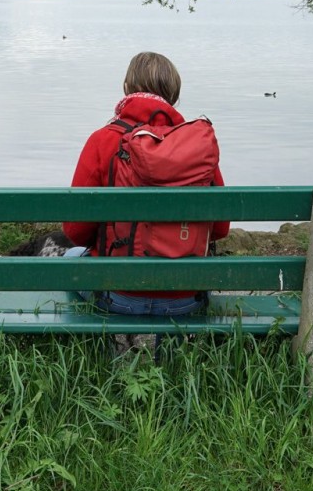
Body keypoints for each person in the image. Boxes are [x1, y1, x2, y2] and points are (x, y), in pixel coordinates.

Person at [62, 51, 230, 315]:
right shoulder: (196, 147)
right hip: (186, 296)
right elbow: (220, 228)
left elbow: (75, 231)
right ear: (173, 94)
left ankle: (101, 351)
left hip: (116, 293)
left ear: (127, 87)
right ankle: (170, 355)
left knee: (70, 257)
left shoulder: (103, 140)